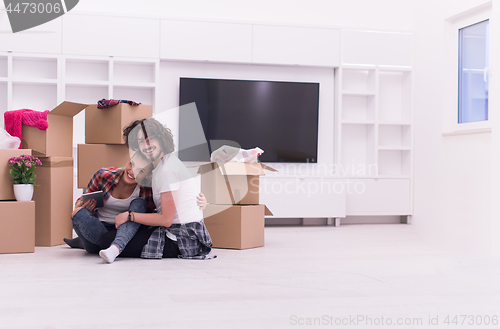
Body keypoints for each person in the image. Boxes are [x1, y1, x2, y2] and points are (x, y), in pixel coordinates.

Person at [68, 152, 207, 262]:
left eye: (141, 170)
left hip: (126, 229)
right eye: (131, 164)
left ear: (147, 175)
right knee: (78, 214)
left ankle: (97, 244)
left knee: (139, 204)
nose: (133, 172)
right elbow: (82, 199)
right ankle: (94, 243)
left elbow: (165, 207)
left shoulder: (147, 188)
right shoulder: (104, 175)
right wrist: (82, 205)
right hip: (99, 225)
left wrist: (200, 200)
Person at [120, 118, 214, 260]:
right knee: (122, 235)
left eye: (150, 139)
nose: (146, 145)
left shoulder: (167, 170)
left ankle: (88, 243)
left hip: (182, 238)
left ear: (161, 139)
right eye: (140, 141)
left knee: (109, 240)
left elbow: (166, 220)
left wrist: (129, 216)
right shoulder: (164, 164)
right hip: (185, 232)